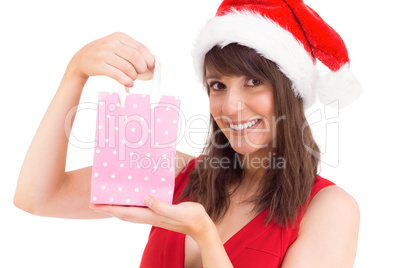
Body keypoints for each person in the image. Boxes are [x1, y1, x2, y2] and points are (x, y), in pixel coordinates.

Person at [14, 0, 361, 267]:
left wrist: (205, 235)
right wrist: (75, 72)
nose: (231, 106)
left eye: (254, 82)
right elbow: (38, 196)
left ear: (292, 90)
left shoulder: (329, 209)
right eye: (218, 85)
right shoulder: (177, 174)